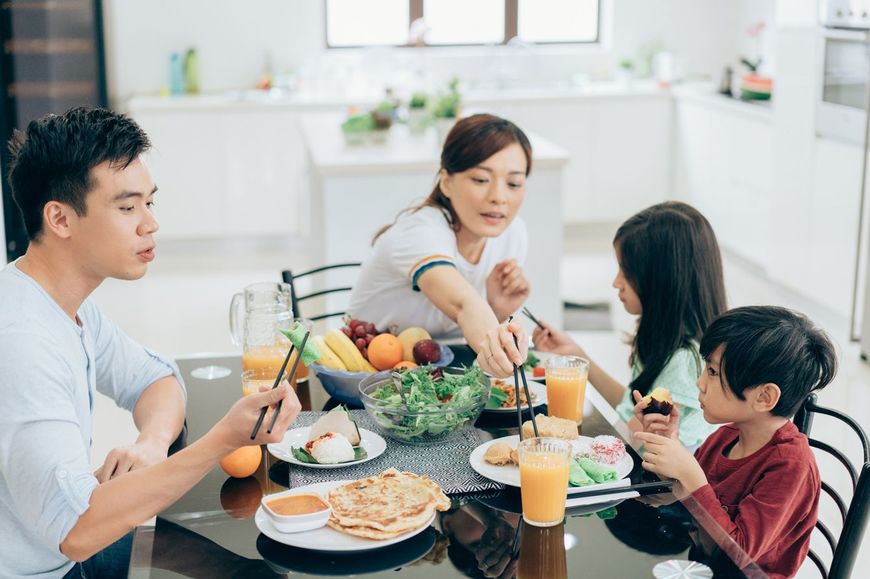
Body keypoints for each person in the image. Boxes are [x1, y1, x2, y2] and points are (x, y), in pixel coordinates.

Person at [0, 107, 302, 577]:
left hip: (71, 545)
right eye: (127, 207)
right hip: (53, 565)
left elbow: (156, 377)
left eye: (149, 203)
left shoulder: (62, 302)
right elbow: (76, 531)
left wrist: (151, 444)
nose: (149, 224)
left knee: (252, 569)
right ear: (59, 219)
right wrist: (221, 440)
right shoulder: (22, 344)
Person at [634, 306, 837, 579]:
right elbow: (676, 497)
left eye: (713, 372)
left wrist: (692, 476)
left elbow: (739, 557)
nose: (700, 383)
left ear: (765, 397)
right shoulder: (726, 437)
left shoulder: (790, 464)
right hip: (701, 567)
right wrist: (666, 443)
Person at [347, 114, 529, 377]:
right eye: (480, 180)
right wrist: (502, 353)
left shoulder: (513, 233)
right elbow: (463, 305)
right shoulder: (420, 232)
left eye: (513, 184)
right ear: (446, 181)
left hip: (443, 375)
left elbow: (476, 326)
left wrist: (498, 309)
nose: (499, 197)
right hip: (369, 377)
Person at [533, 201, 727, 448]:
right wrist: (579, 357)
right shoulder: (666, 339)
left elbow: (638, 439)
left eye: (626, 272)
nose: (616, 283)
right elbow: (631, 408)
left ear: (661, 280)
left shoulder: (683, 360)